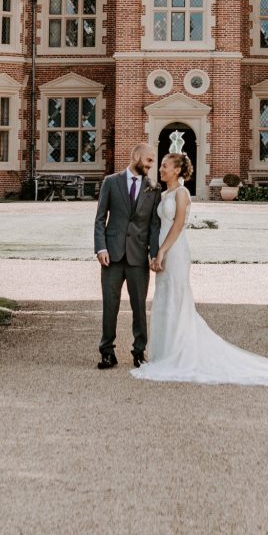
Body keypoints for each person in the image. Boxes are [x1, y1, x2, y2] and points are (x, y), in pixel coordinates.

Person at [132, 152, 268, 387]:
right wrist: (155, 251)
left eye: (165, 166)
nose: (161, 169)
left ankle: (179, 351)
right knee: (164, 298)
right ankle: (165, 352)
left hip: (175, 250)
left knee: (177, 298)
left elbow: (179, 225)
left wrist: (162, 251)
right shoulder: (163, 194)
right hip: (163, 247)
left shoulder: (182, 193)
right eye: (160, 165)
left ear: (178, 170)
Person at [89, 143, 163, 369]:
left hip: (138, 256)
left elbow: (154, 226)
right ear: (136, 156)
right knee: (110, 305)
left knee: (139, 306)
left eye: (153, 162)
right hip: (111, 255)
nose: (151, 166)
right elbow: (100, 218)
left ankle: (139, 351)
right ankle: (106, 352)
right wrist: (100, 248)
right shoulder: (111, 182)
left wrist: (152, 254)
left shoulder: (154, 189)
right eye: (149, 160)